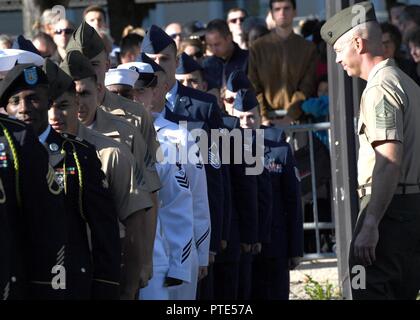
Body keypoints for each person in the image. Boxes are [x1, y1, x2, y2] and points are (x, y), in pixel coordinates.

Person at [321, 1, 420, 300]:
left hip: (388, 210)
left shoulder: (379, 88)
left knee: (367, 287)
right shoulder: (407, 83)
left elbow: (389, 160)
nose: (337, 59)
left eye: (338, 50)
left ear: (357, 42)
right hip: (409, 208)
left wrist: (371, 223)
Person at [2, 62, 121, 299]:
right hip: (16, 280)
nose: (24, 109)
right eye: (15, 101)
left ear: (48, 102)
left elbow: (104, 230)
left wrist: (105, 285)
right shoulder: (5, 157)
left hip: (70, 283)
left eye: (33, 98)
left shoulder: (79, 154)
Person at [47, 56, 155, 300]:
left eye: (84, 94)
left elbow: (135, 222)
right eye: (50, 104)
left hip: (102, 273)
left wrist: (129, 288)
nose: (56, 114)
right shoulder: (30, 152)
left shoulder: (112, 152)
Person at [141, 25, 225, 299]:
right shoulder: (126, 110)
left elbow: (212, 179)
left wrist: (207, 244)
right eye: (151, 60)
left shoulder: (202, 106)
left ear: (176, 61)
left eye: (164, 59)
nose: (157, 66)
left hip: (190, 236)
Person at [231, 89, 302, 300]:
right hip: (242, 245)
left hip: (274, 246)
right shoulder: (225, 148)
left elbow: (292, 201)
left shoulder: (279, 148)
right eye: (240, 117)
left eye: (251, 117)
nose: (245, 122)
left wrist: (295, 248)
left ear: (260, 118)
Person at [248, 0, 317, 126]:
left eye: (286, 8)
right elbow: (254, 85)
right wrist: (262, 116)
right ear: (271, 14)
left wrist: (290, 116)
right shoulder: (257, 48)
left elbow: (307, 85)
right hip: (265, 119)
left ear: (295, 12)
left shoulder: (308, 48)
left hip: (299, 119)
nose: (282, 13)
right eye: (277, 9)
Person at [203, 19, 248, 89]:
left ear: (229, 38)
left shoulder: (247, 59)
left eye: (217, 44)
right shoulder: (207, 64)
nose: (214, 49)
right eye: (210, 45)